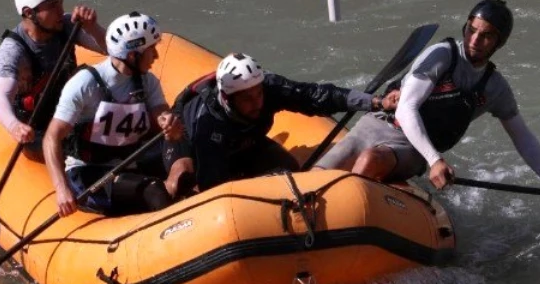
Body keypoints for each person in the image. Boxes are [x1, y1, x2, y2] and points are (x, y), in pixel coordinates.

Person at [314, 0, 540, 202]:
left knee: (370, 160)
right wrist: (436, 161)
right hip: (374, 125)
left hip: (413, 147)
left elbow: (522, 137)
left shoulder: (495, 88)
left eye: (486, 35)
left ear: (499, 42)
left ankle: (350, 211)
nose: (475, 40)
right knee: (316, 178)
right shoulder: (441, 55)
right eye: (472, 30)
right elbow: (406, 108)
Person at [163, 52, 393, 194]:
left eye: (259, 94)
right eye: (248, 99)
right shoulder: (209, 124)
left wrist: (373, 102)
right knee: (181, 179)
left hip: (244, 142)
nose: (257, 103)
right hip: (187, 142)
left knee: (288, 171)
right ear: (228, 100)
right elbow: (214, 189)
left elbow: (316, 96)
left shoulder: (270, 89)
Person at [43, 12, 185, 217]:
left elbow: (160, 112)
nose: (155, 56)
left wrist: (169, 123)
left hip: (130, 160)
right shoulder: (85, 84)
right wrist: (61, 189)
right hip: (89, 173)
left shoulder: (147, 81)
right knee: (154, 191)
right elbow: (52, 137)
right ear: (132, 56)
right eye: (151, 50)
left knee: (187, 168)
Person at [0, 0, 106, 154]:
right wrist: (14, 126)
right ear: (29, 13)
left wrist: (94, 28)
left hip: (72, 111)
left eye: (60, 2)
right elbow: (1, 97)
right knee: (82, 149)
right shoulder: (13, 51)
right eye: (53, 6)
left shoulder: (66, 24)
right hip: (38, 127)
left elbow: (112, 50)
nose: (61, 10)